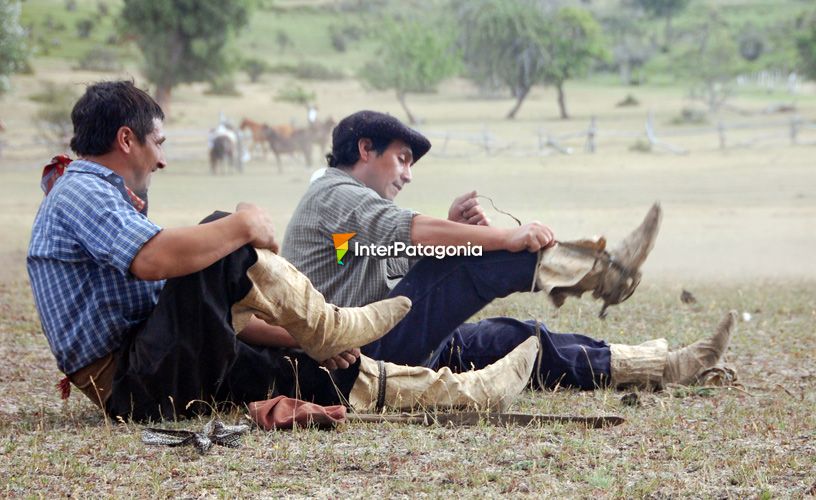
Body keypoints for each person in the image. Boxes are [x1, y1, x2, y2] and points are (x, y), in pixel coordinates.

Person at [27, 82, 541, 422]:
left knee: (312, 373)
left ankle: (467, 394)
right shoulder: (82, 189)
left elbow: (201, 305)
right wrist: (242, 223)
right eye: (157, 143)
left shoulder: (107, 196)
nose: (162, 159)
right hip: (130, 384)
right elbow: (155, 260)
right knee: (217, 235)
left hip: (152, 366)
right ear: (125, 139)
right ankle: (331, 325)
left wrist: (302, 338)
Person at [281, 110, 736, 392]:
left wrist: (454, 229)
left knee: (521, 338)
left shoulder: (344, 213)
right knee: (469, 265)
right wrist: (505, 239)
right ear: (365, 149)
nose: (408, 174)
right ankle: (602, 273)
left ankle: (665, 366)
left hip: (378, 342)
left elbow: (395, 259)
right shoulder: (335, 194)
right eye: (401, 158)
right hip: (352, 354)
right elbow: (412, 229)